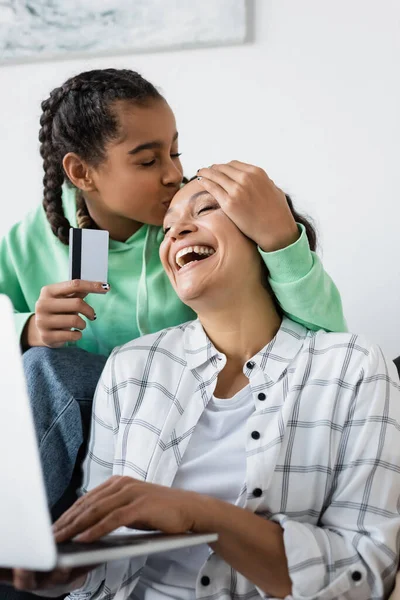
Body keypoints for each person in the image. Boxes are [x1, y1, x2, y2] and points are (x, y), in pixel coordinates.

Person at [3, 177, 399, 600]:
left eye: (206, 209)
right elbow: (99, 574)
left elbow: (365, 576)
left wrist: (198, 514)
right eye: (168, 225)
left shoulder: (354, 367)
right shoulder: (130, 367)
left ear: (264, 232)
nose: (176, 230)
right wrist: (66, 572)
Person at [0, 68, 346, 520]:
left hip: (196, 401)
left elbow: (329, 338)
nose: (174, 174)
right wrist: (24, 328)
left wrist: (282, 239)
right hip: (96, 413)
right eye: (148, 161)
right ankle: (20, 540)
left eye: (175, 152)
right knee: (43, 367)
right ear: (81, 172)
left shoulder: (195, 228)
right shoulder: (27, 241)